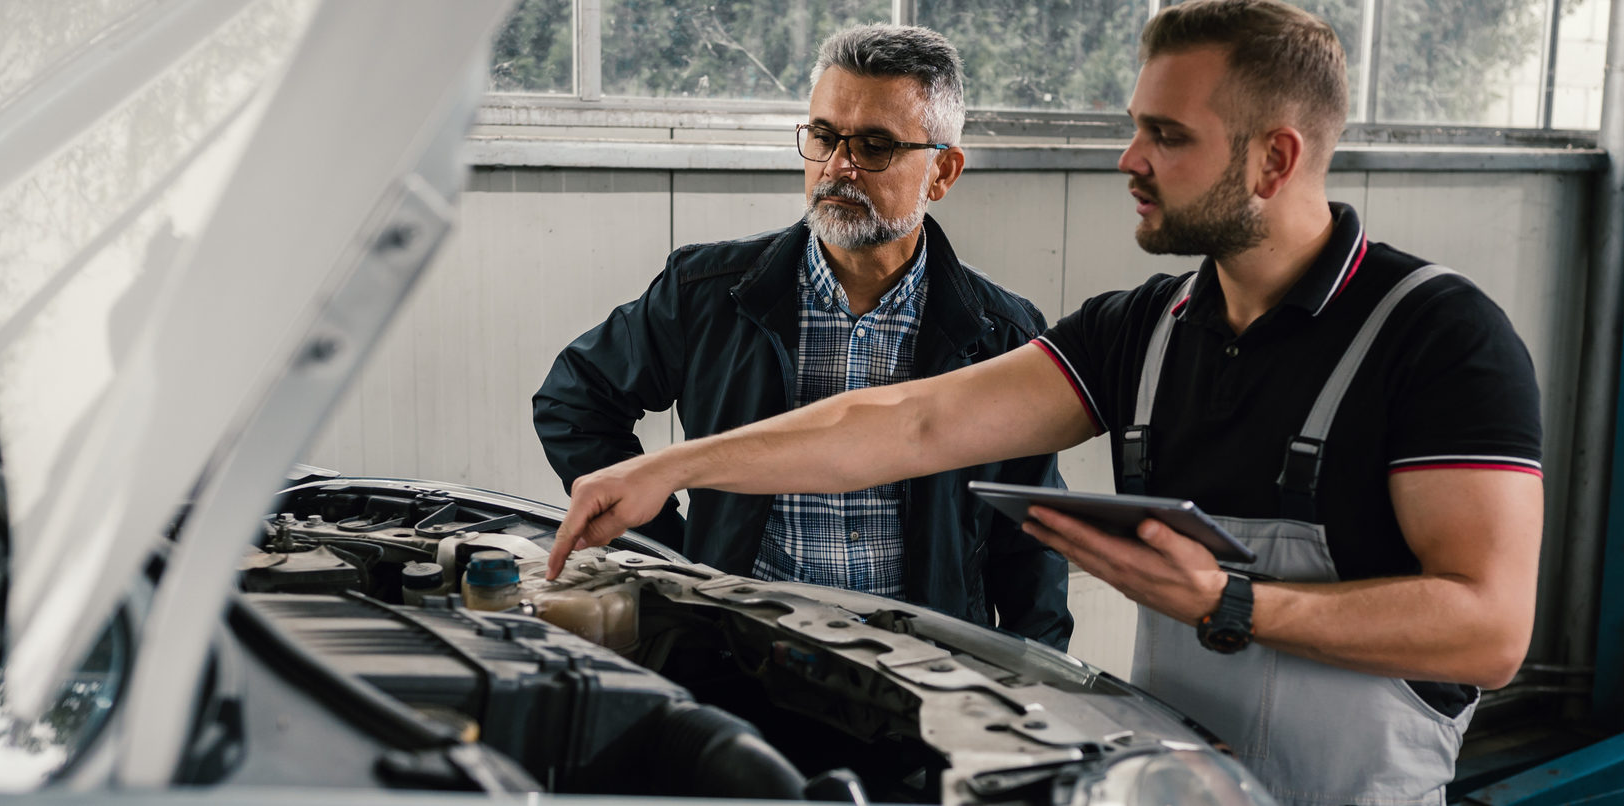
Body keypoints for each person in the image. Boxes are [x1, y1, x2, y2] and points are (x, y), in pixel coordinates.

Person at [544, 2, 1541, 802]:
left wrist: (1231, 600)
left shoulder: (1437, 335)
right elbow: (909, 421)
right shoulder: (1138, 329)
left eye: (1165, 135)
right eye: (1133, 128)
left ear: (1272, 160)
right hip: (1179, 775)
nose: (1127, 161)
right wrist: (667, 465)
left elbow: (1487, 629)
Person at [532, 24, 1072, 649]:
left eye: (874, 146)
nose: (838, 166)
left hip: (924, 669)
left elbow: (1032, 540)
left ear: (942, 171)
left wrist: (1033, 686)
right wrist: (675, 558)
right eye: (822, 136)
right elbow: (574, 402)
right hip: (739, 651)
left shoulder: (1004, 335)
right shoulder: (707, 292)